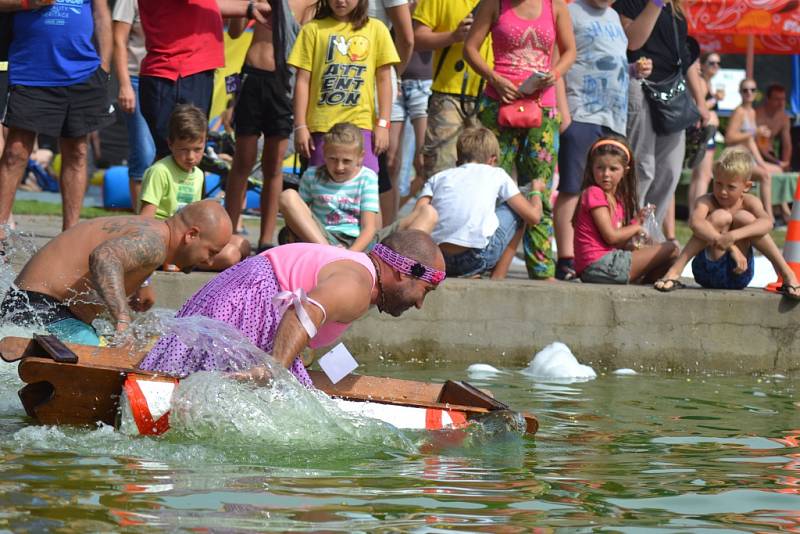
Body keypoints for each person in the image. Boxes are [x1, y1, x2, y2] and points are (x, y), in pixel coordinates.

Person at [137, 230, 446, 386]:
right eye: (425, 291)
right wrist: (273, 368)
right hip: (248, 298)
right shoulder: (358, 284)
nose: (420, 303)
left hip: (240, 289)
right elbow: (308, 309)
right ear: (405, 272)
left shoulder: (360, 273)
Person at [0, 200, 232, 345]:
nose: (210, 262)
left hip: (32, 307)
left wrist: (142, 284)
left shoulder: (153, 232)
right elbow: (103, 257)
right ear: (191, 235)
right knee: (115, 364)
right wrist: (122, 320)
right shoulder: (155, 243)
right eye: (211, 251)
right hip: (36, 310)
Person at [464, 0, 577, 280]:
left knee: (539, 184)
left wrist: (555, 73)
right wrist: (494, 77)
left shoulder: (555, 7)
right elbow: (470, 48)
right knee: (489, 183)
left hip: (542, 107)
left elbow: (570, 51)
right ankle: (480, 262)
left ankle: (541, 269)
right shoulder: (495, 4)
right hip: (498, 104)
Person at [0, 0, 114, 234]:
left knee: (78, 152)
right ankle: (0, 231)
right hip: (30, 70)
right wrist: (29, 2)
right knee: (16, 152)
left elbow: (102, 16)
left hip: (82, 72)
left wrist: (104, 67)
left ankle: (69, 236)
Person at [554, 0, 645, 281]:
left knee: (608, 189)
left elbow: (609, 61)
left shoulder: (615, 17)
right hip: (582, 112)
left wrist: (633, 71)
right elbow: (556, 60)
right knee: (572, 187)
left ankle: (603, 250)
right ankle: (566, 258)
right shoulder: (569, 11)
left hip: (613, 117)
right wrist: (565, 116)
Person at [224, 0, 316, 252]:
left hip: (284, 82)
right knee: (242, 160)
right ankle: (226, 235)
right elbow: (234, 32)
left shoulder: (311, 3)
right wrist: (246, 7)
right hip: (252, 75)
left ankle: (265, 240)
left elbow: (306, 42)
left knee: (273, 165)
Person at [613, 0, 708, 242]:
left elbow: (686, 61)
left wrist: (701, 102)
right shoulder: (628, 3)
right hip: (639, 86)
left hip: (672, 93)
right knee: (642, 168)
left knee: (669, 172)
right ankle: (629, 234)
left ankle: (649, 237)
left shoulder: (676, 9)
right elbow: (633, 41)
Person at [654, 148, 800, 299]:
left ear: (747, 186)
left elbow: (768, 223)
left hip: (740, 274)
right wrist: (729, 246)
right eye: (718, 184)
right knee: (720, 217)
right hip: (706, 272)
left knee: (745, 218)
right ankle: (674, 271)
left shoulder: (750, 201)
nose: (723, 191)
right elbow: (695, 223)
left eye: (731, 187)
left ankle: (786, 273)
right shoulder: (706, 201)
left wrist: (733, 235)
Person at [137, 0, 272, 160]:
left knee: (191, 156)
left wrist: (250, 8)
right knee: (176, 157)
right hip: (176, 73)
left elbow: (210, 5)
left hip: (193, 72)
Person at [279, 122, 437, 251]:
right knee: (288, 196)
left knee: (428, 213)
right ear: (324, 153)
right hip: (324, 238)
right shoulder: (311, 175)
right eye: (333, 159)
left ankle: (400, 266)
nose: (339, 167)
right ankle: (328, 253)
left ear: (360, 157)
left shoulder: (367, 177)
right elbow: (298, 217)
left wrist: (352, 254)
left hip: (362, 242)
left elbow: (369, 228)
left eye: (346, 161)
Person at [288, 0, 400, 175]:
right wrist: (300, 126)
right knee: (319, 190)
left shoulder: (377, 29)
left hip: (362, 126)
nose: (340, 1)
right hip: (321, 127)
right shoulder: (312, 29)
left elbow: (384, 80)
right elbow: (302, 81)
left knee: (365, 186)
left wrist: (383, 124)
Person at [418, 127, 544, 279]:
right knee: (518, 211)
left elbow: (418, 214)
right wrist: (536, 191)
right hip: (476, 258)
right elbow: (534, 217)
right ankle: (497, 277)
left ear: (458, 161)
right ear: (492, 160)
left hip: (438, 259)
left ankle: (468, 272)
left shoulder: (439, 177)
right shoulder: (497, 174)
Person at [138, 105, 251, 271]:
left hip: (191, 239)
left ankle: (188, 261)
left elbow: (198, 218)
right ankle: (174, 261)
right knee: (231, 255)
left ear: (205, 143)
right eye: (184, 149)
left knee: (244, 245)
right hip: (168, 240)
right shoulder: (159, 172)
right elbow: (145, 221)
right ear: (170, 143)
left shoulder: (198, 174)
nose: (190, 157)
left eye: (197, 149)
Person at [573, 137, 678, 284]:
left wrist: (638, 221)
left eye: (613, 169)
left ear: (625, 171)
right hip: (597, 265)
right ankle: (648, 282)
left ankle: (645, 282)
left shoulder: (618, 200)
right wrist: (637, 227)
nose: (606, 174)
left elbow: (616, 243)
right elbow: (611, 237)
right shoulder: (594, 193)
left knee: (670, 257)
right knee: (671, 248)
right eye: (600, 168)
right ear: (592, 168)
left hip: (603, 264)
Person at [413, 0, 493, 179]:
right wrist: (454, 36)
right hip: (447, 97)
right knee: (440, 172)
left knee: (484, 175)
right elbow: (416, 37)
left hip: (491, 96)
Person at [112, 0, 156, 211]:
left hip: (166, 77)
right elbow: (118, 40)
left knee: (167, 151)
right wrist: (124, 85)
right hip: (136, 78)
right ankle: (141, 222)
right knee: (144, 152)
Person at [724, 79, 781, 223]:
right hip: (735, 158)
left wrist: (762, 136)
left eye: (752, 90)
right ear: (740, 93)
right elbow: (729, 138)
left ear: (756, 93)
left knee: (778, 171)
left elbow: (751, 140)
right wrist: (755, 131)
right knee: (765, 175)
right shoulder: (739, 111)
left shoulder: (752, 112)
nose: (749, 93)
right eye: (745, 90)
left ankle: (783, 211)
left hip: (749, 157)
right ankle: (769, 217)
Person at [686, 52, 723, 219]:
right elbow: (696, 107)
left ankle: (693, 214)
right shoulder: (701, 83)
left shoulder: (707, 83)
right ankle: (697, 215)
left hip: (706, 133)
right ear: (703, 65)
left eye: (718, 63)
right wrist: (714, 100)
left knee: (699, 176)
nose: (715, 66)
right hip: (704, 132)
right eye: (711, 63)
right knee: (703, 176)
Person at [756, 84, 793, 172]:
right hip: (754, 154)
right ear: (768, 99)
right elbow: (760, 146)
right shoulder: (757, 115)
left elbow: (787, 145)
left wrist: (785, 163)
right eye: (777, 99)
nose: (781, 103)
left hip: (769, 155)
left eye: (783, 99)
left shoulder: (784, 118)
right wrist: (777, 162)